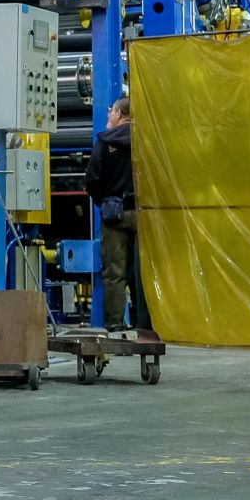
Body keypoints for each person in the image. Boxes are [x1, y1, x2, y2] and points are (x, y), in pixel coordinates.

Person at [86, 94, 151, 334]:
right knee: (143, 272)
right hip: (143, 216)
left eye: (111, 111)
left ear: (120, 114)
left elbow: (92, 180)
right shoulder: (146, 141)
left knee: (115, 273)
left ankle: (115, 324)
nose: (109, 115)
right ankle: (144, 323)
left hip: (114, 215)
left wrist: (104, 201)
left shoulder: (104, 143)